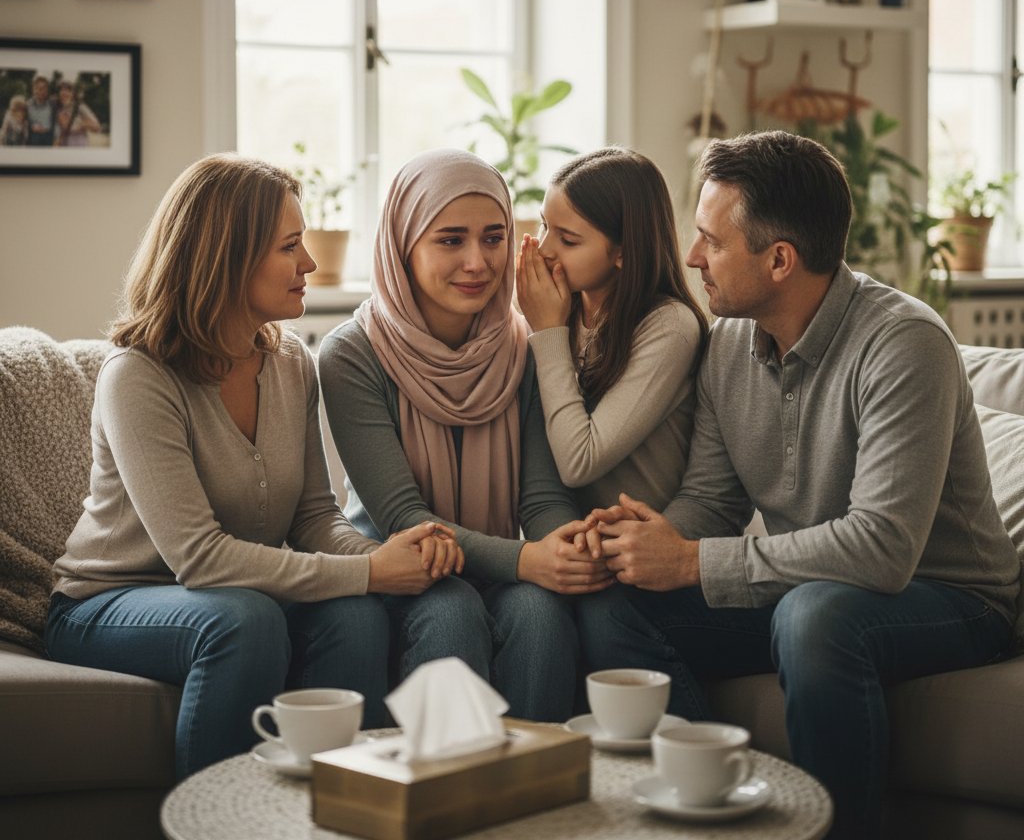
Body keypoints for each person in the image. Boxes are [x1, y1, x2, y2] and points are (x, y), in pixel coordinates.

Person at [581, 131, 1019, 839]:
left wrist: (691, 562)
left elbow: (882, 550)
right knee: (614, 607)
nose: (692, 258)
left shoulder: (905, 344)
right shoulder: (728, 343)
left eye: (710, 242)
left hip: (950, 597)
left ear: (779, 259)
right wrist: (634, 539)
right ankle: (713, 812)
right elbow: (714, 502)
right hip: (810, 588)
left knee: (814, 617)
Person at [45, 155, 463, 779]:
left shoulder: (292, 361)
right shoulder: (137, 377)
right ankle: (219, 819)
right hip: (109, 602)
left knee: (355, 615)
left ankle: (350, 804)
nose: (310, 265)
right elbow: (201, 559)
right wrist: (369, 571)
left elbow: (315, 515)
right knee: (246, 619)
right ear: (227, 257)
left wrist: (390, 552)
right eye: (290, 246)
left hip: (236, 593)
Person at [318, 148, 612, 722]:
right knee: (451, 610)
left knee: (541, 613)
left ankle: (530, 793)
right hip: (400, 565)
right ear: (404, 244)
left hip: (500, 559)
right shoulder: (351, 354)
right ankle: (438, 796)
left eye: (494, 238)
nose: (478, 262)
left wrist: (566, 551)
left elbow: (542, 496)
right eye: (450, 240)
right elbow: (405, 516)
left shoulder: (523, 346)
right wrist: (530, 560)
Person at [514, 147, 708, 514]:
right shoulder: (558, 308)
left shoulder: (670, 327)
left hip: (647, 549)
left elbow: (578, 463)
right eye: (543, 226)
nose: (544, 250)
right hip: (576, 541)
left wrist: (548, 332)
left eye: (568, 240)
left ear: (623, 252)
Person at [54, 79, 101, 146]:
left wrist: (81, 124)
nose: (64, 93)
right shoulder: (58, 108)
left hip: (79, 146)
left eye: (68, 90)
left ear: (73, 93)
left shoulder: (80, 107)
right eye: (62, 90)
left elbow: (97, 127)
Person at [26, 74, 56, 146]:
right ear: (33, 89)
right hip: (33, 139)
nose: (40, 91)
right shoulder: (27, 105)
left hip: (49, 138)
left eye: (43, 88)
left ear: (47, 90)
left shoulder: (53, 104)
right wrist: (31, 126)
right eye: (37, 88)